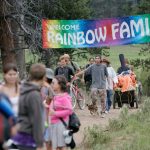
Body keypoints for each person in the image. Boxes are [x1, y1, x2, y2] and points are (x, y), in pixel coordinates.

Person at [12, 63, 46, 150]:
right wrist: (40, 143)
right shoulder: (34, 94)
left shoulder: (22, 89)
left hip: (18, 136)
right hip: (28, 139)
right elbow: (37, 120)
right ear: (43, 77)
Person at [49, 75, 73, 150]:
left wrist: (55, 114)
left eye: (53, 83)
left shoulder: (64, 97)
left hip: (61, 125)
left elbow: (69, 110)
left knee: (60, 146)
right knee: (56, 146)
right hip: (53, 124)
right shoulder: (56, 96)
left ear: (60, 85)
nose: (51, 85)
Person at [41, 68, 54, 150]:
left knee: (48, 138)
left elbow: (52, 97)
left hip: (48, 113)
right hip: (40, 113)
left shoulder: (50, 86)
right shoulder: (38, 86)